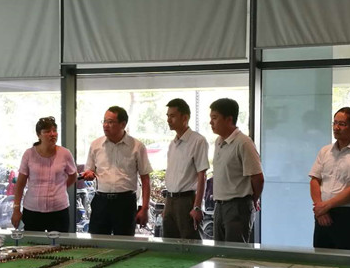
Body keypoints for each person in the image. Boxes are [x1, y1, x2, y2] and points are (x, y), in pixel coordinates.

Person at [309, 107, 350, 250]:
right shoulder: (325, 151)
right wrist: (320, 208)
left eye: (342, 124)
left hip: (347, 216)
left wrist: (326, 206)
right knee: (320, 260)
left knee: (348, 260)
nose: (336, 127)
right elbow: (314, 180)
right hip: (322, 214)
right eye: (334, 123)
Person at [82, 106, 152, 235]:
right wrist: (89, 174)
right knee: (97, 241)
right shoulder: (96, 145)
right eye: (104, 121)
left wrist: (145, 208)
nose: (105, 125)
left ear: (123, 124)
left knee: (124, 242)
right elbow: (89, 170)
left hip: (125, 202)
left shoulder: (137, 147)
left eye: (110, 122)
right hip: (101, 201)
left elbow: (145, 179)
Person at [210, 98, 264, 243]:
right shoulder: (218, 142)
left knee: (235, 252)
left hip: (238, 206)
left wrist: (252, 200)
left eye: (214, 118)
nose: (211, 122)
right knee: (219, 251)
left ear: (229, 119)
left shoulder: (244, 142)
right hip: (219, 205)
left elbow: (258, 177)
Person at [11, 116, 77, 232]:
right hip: (32, 210)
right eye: (47, 131)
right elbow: (20, 183)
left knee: (59, 242)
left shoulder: (65, 153)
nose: (52, 134)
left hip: (59, 210)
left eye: (54, 130)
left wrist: (60, 188)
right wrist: (16, 209)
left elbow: (73, 175)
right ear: (39, 135)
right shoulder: (29, 154)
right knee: (32, 242)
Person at [163, 98, 210, 240]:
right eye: (167, 116)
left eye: (172, 116)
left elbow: (202, 176)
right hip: (170, 199)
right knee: (169, 243)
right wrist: (166, 206)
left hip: (187, 200)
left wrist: (197, 207)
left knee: (190, 243)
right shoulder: (172, 144)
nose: (168, 120)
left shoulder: (198, 141)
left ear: (185, 118)